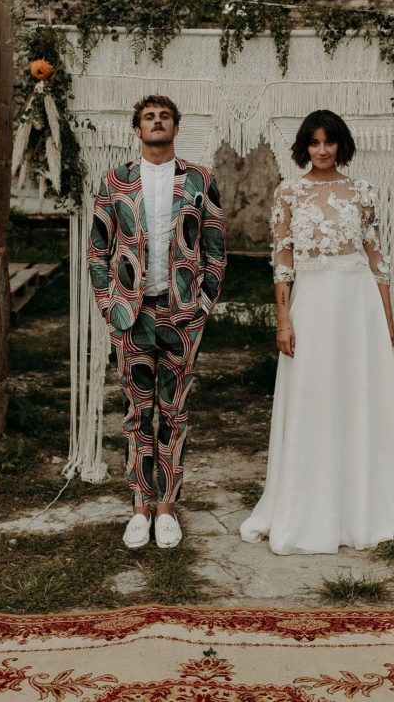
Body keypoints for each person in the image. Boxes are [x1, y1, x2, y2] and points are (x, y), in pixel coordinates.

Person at [240, 109, 394, 555]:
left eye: (329, 142)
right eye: (314, 143)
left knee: (360, 394)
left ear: (341, 144)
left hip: (358, 304)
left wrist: (386, 314)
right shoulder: (289, 192)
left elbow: (377, 255)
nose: (322, 150)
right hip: (311, 302)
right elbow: (282, 261)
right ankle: (311, 505)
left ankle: (367, 504)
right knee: (313, 395)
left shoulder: (361, 191)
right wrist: (283, 318)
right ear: (304, 148)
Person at [88, 95, 225, 551]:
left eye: (165, 116)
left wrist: (202, 305)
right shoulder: (115, 181)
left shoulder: (200, 180)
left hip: (181, 313)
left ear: (176, 126)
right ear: (137, 128)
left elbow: (215, 252)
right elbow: (97, 253)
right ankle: (138, 508)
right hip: (132, 314)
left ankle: (166, 507)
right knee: (136, 412)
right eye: (149, 117)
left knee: (174, 410)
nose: (157, 122)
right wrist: (111, 305)